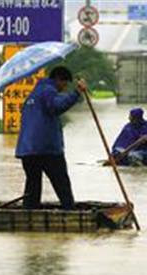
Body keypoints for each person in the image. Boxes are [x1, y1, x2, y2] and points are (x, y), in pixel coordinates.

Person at [15, 66, 87, 210]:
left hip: (27, 150)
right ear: (58, 80)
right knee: (61, 183)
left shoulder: (34, 93)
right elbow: (56, 107)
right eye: (65, 84)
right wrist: (77, 92)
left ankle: (30, 213)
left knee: (33, 186)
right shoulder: (48, 91)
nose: (64, 88)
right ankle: (70, 212)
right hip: (46, 148)